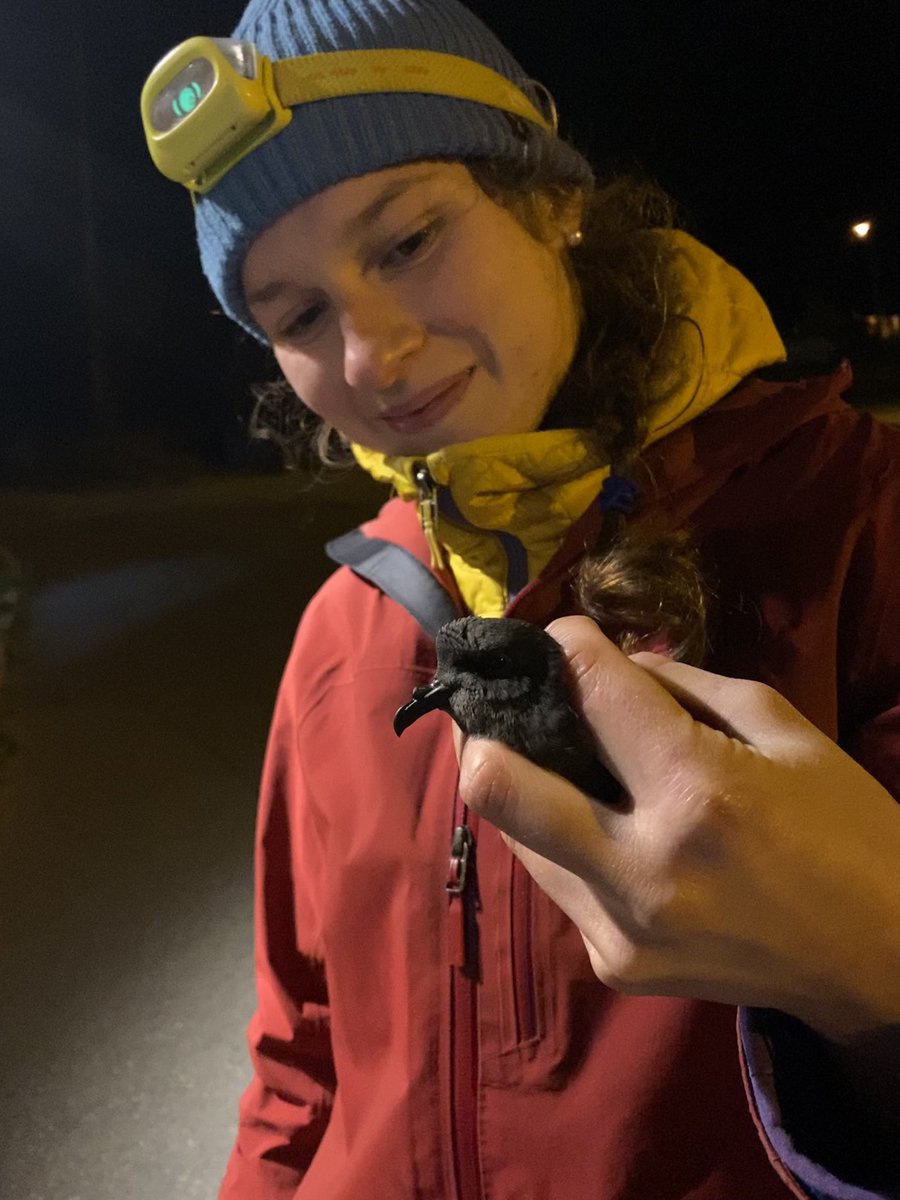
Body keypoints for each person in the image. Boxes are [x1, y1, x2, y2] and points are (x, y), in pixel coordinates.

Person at [141, 2, 900, 1196]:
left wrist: (876, 971)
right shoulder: (343, 630)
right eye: (298, 316)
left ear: (551, 198)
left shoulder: (860, 519)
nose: (368, 354)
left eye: (405, 244)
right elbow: (299, 1066)